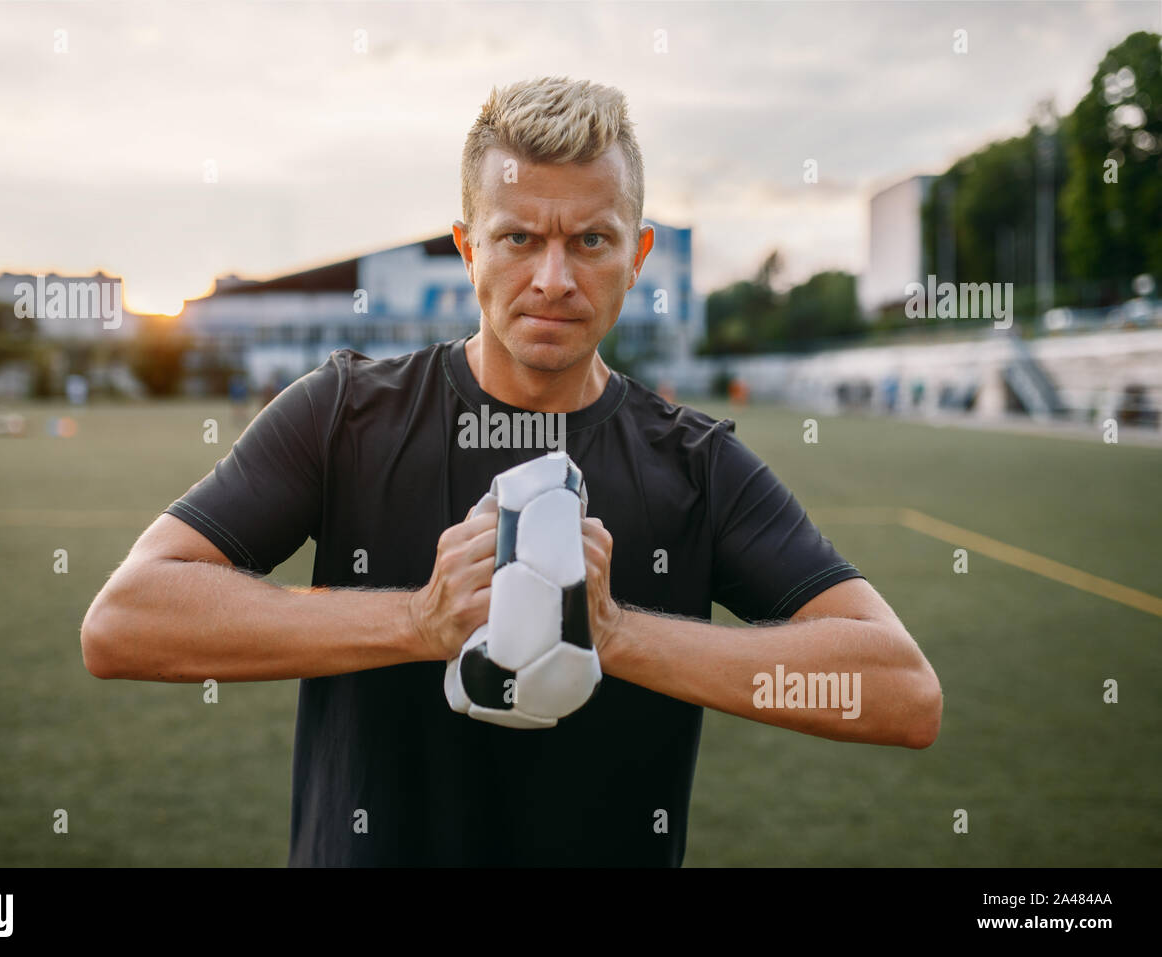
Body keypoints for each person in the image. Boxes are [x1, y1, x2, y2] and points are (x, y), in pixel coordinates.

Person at [81, 76, 941, 867]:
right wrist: (419, 621)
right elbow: (124, 623)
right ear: (467, 246)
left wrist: (614, 633)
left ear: (637, 256)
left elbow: (901, 691)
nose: (554, 278)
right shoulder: (344, 413)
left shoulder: (697, 464)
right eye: (519, 237)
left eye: (591, 240)